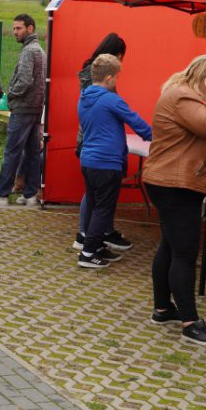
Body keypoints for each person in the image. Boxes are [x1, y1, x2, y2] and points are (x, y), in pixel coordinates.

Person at [142, 55, 206, 348]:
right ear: (200, 77)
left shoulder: (179, 93)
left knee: (170, 246)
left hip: (168, 180)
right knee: (184, 252)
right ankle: (190, 322)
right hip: (176, 183)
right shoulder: (183, 95)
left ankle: (162, 308)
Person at [76, 54, 152, 268]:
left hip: (88, 160)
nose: (116, 81)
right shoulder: (111, 99)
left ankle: (96, 246)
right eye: (116, 78)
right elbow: (137, 122)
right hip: (107, 162)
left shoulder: (84, 98)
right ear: (109, 78)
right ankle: (88, 254)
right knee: (103, 209)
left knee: (93, 203)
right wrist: (160, 138)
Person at [73, 33, 132, 253]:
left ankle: (96, 234)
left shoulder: (90, 72)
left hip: (90, 139)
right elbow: (111, 108)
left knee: (96, 193)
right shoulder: (97, 78)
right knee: (97, 195)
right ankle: (88, 237)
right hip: (96, 142)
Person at [0, 14, 45, 207]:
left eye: (19, 28)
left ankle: (1, 195)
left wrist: (11, 95)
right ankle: (30, 194)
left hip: (23, 108)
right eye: (14, 28)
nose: (15, 32)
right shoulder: (40, 50)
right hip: (35, 108)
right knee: (33, 153)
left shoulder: (28, 52)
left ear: (30, 28)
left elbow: (25, 81)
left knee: (12, 151)